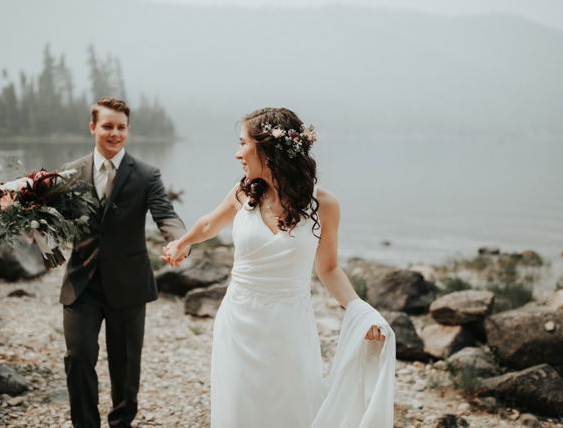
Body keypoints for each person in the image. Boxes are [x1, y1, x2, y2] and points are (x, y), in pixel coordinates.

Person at [162, 107, 395, 427]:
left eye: (242, 143)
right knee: (238, 408)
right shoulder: (243, 191)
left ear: (268, 150)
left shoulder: (323, 205)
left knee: (292, 408)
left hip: (290, 327)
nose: (236, 154)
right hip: (238, 322)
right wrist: (183, 242)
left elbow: (328, 269)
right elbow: (209, 224)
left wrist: (360, 310)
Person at [60, 97, 186, 428]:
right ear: (93, 128)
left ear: (128, 130)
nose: (115, 133)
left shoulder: (146, 174)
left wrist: (178, 240)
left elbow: (165, 213)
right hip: (81, 283)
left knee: (126, 365)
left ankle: (121, 423)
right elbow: (48, 216)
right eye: (108, 126)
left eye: (121, 127)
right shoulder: (70, 173)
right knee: (78, 357)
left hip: (129, 283)